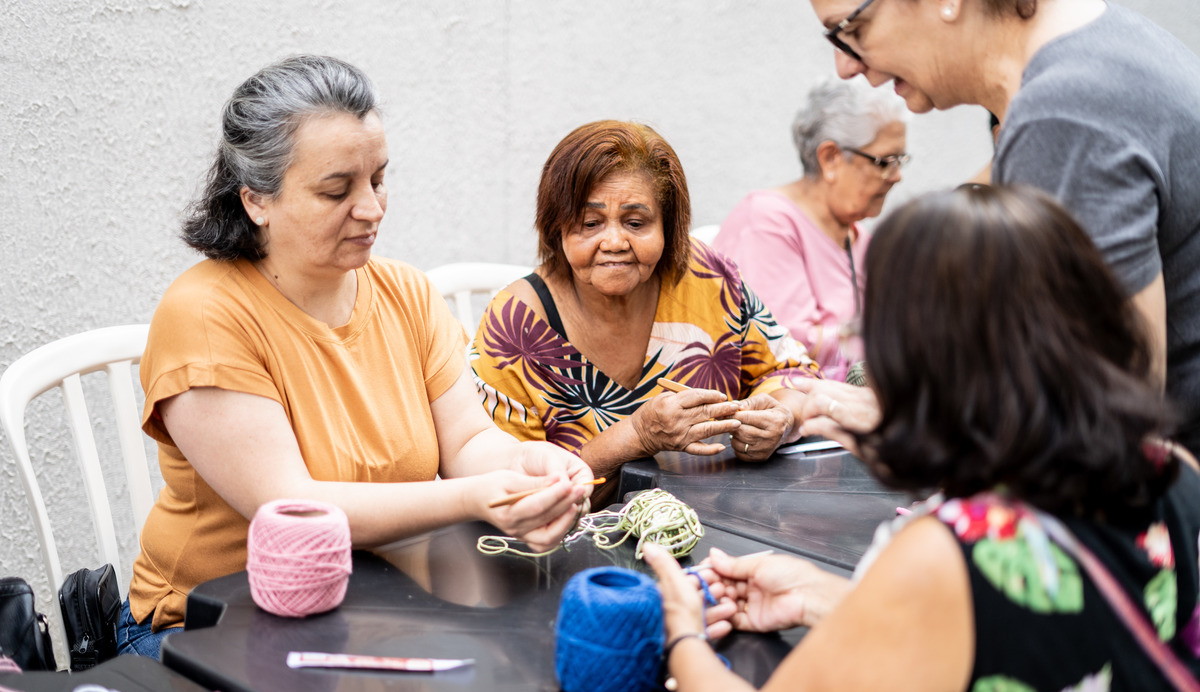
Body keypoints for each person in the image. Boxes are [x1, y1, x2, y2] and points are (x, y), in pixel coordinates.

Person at [645, 184, 1200, 692]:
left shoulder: (943, 553)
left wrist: (683, 636)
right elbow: (1036, 640)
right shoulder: (1167, 472)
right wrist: (820, 596)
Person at [122, 55, 593, 658]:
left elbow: (470, 443)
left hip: (371, 603)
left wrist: (532, 466)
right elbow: (292, 508)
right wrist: (478, 499)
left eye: (378, 179)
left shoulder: (407, 293)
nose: (371, 208)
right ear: (256, 200)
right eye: (337, 189)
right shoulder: (206, 315)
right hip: (208, 624)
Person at [797, 0, 1200, 454]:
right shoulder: (1095, 58)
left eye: (852, 29)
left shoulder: (1064, 112)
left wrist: (916, 424)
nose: (845, 65)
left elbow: (1111, 427)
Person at [470, 120, 819, 489]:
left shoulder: (704, 276)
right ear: (557, 226)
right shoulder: (515, 325)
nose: (615, 241)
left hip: (723, 525)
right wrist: (635, 436)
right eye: (590, 223)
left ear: (668, 227)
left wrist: (781, 417)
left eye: (636, 222)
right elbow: (508, 492)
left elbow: (794, 374)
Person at [712, 77, 909, 381]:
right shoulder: (766, 223)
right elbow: (778, 345)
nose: (896, 176)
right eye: (885, 161)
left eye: (900, 161)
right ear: (830, 158)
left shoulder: (861, 241)